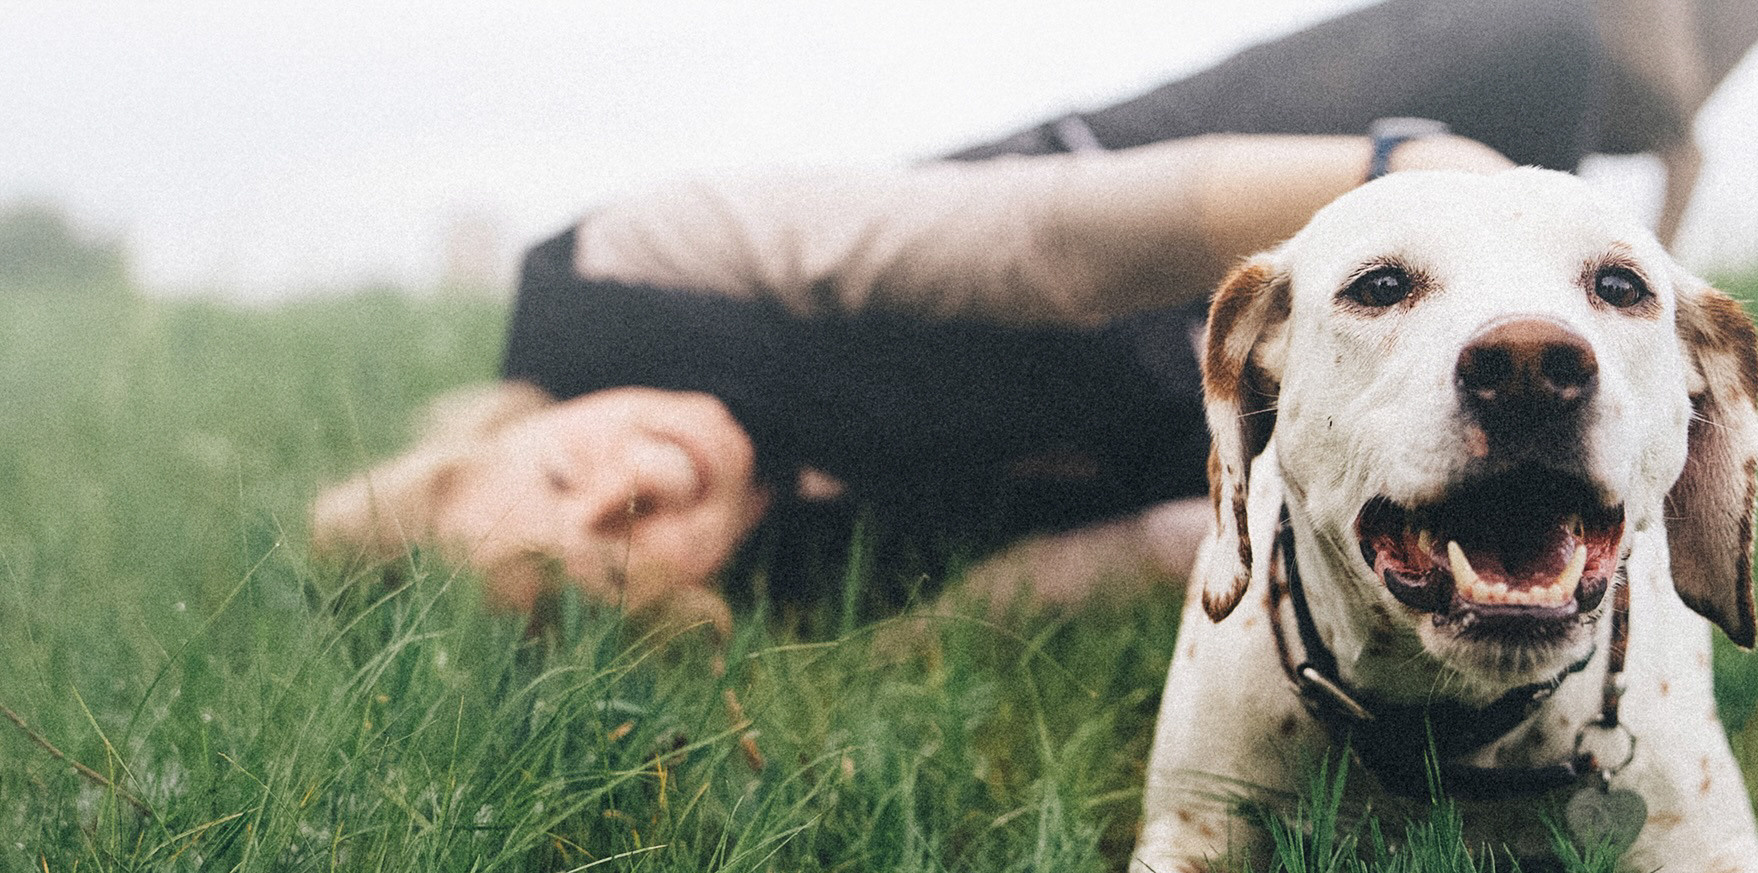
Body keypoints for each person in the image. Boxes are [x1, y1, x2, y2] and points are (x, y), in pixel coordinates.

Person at [312, 129, 1509, 621]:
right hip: (1241, 407)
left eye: (568, 469)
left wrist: (1408, 176)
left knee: (1539, 44)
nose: (625, 489)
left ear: (535, 413)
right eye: (614, 550)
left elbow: (1040, 240)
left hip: (1179, 193)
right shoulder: (820, 594)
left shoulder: (612, 268)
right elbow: (1137, 548)